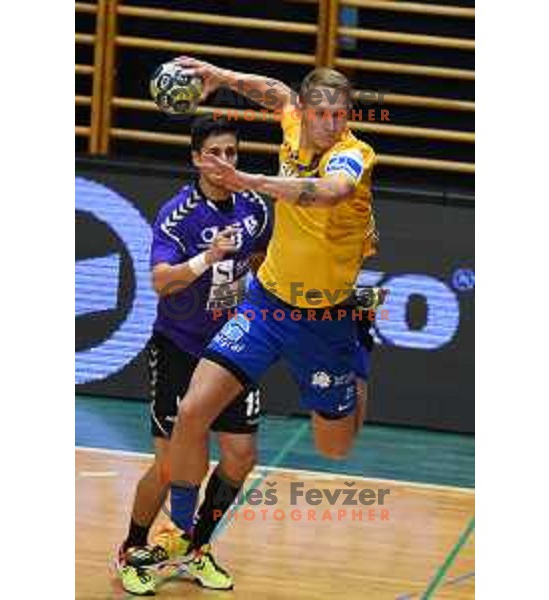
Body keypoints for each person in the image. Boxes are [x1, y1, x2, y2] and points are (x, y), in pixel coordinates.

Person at [161, 58, 381, 584]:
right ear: (306, 112)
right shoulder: (292, 120)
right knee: (192, 409)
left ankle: (360, 351)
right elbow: (276, 92)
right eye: (321, 114)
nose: (331, 123)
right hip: (267, 303)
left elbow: (331, 192)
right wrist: (222, 77)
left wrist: (250, 180)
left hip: (326, 318)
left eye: (340, 115)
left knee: (336, 447)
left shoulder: (354, 155)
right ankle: (186, 534)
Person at [115, 115, 272, 595]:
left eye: (232, 152)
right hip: (180, 346)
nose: (225, 161)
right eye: (215, 153)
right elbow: (161, 282)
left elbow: (263, 260)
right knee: (171, 467)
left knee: (241, 456)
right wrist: (208, 258)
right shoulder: (178, 214)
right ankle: (133, 548)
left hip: (233, 348)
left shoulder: (255, 209)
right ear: (196, 158)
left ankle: (195, 548)